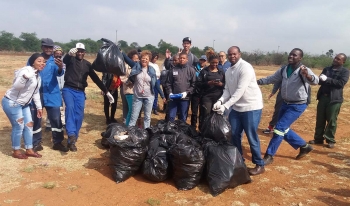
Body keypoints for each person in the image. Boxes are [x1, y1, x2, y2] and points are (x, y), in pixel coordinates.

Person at [257, 48, 319, 165]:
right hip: (285, 103)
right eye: (290, 54)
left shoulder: (303, 69)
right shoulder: (284, 69)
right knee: (282, 127)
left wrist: (308, 76)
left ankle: (269, 155)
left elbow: (316, 81)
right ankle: (304, 146)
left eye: (294, 55)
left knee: (279, 129)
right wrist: (257, 82)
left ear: (300, 58)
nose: (291, 57)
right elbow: (272, 78)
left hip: (298, 105)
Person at [213, 46, 265, 176]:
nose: (232, 56)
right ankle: (239, 160)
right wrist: (220, 101)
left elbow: (240, 91)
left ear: (239, 54)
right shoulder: (229, 70)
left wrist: (226, 106)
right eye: (230, 54)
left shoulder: (245, 68)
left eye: (234, 54)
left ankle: (259, 164)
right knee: (234, 134)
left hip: (251, 107)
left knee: (251, 135)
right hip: (237, 107)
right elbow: (227, 90)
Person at [63, 43, 114, 151]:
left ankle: (72, 140)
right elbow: (64, 61)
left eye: (82, 51)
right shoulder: (70, 60)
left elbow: (96, 79)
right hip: (69, 89)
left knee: (79, 115)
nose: (80, 53)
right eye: (78, 51)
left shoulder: (87, 65)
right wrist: (68, 55)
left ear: (84, 52)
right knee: (70, 109)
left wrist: (106, 92)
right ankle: (71, 134)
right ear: (75, 52)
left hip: (80, 92)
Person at [2, 53, 45, 159]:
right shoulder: (26, 71)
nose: (42, 63)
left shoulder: (37, 75)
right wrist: (25, 77)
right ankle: (16, 151)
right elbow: (16, 86)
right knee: (19, 126)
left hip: (25, 104)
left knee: (29, 125)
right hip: (12, 102)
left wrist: (39, 107)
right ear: (33, 62)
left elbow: (35, 93)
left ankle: (29, 149)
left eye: (43, 61)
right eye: (39, 61)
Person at [29, 38, 67, 152]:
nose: (48, 49)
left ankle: (57, 142)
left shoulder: (55, 60)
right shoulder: (35, 58)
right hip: (37, 94)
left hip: (52, 94)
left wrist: (60, 67)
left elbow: (59, 73)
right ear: (42, 47)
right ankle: (36, 143)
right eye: (46, 47)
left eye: (50, 47)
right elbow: (28, 70)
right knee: (36, 118)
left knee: (56, 118)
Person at [309, 53, 349, 148]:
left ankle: (330, 139)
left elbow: (340, 83)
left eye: (338, 59)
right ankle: (318, 138)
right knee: (320, 119)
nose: (335, 60)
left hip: (334, 99)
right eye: (335, 58)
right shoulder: (327, 69)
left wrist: (327, 79)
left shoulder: (345, 71)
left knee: (331, 120)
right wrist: (321, 79)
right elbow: (320, 81)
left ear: (343, 62)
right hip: (323, 97)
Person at [125, 50, 166, 128]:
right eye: (143, 58)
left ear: (149, 60)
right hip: (138, 96)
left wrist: (162, 96)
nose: (144, 60)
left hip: (149, 96)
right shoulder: (136, 67)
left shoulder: (152, 70)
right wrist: (121, 52)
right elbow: (127, 59)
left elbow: (156, 84)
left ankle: (147, 133)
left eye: (146, 59)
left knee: (147, 117)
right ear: (140, 59)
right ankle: (130, 133)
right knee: (134, 117)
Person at [197, 50, 225, 129]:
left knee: (216, 116)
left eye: (216, 63)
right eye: (213, 63)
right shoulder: (204, 71)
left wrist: (221, 84)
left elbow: (226, 84)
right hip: (206, 97)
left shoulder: (221, 72)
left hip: (218, 97)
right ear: (209, 61)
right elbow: (198, 84)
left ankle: (214, 133)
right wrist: (208, 83)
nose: (215, 65)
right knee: (206, 115)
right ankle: (203, 132)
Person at [165, 52, 196, 122]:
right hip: (174, 98)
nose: (182, 59)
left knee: (183, 117)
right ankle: (171, 132)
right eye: (180, 58)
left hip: (185, 98)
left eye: (184, 58)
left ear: (187, 59)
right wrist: (170, 93)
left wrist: (187, 92)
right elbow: (168, 83)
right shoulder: (173, 70)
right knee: (171, 117)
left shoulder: (191, 70)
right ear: (178, 59)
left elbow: (193, 85)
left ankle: (182, 132)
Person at [46, 45, 66, 131]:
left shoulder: (63, 63)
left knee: (62, 107)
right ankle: (48, 124)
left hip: (63, 88)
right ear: (53, 54)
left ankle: (62, 122)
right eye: (56, 54)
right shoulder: (50, 62)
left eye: (60, 54)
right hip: (53, 88)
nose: (58, 55)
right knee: (51, 107)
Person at [120, 50, 139, 126]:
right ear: (130, 58)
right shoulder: (125, 66)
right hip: (129, 91)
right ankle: (128, 126)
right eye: (135, 58)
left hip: (137, 91)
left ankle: (131, 126)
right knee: (131, 110)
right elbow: (122, 77)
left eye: (138, 58)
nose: (137, 60)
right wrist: (130, 81)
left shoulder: (138, 66)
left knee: (133, 110)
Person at [190, 54, 207, 128]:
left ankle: (201, 127)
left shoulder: (207, 70)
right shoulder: (194, 68)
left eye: (204, 60)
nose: (202, 62)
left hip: (203, 94)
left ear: (206, 61)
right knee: (194, 112)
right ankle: (193, 127)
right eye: (201, 60)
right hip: (195, 93)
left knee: (202, 112)